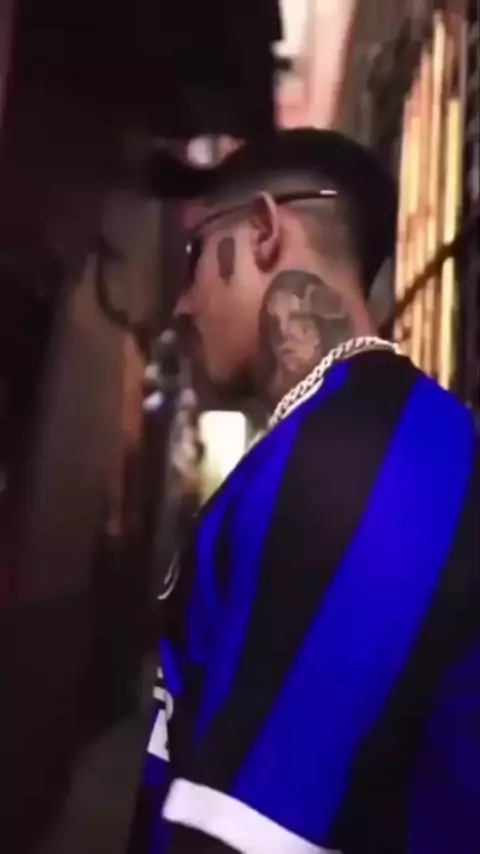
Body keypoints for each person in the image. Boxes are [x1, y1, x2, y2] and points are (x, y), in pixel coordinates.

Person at [128, 129, 480, 854]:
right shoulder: (342, 437)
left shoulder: (365, 460)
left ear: (264, 231)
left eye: (196, 254)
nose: (182, 303)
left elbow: (253, 836)